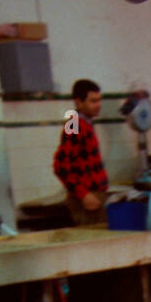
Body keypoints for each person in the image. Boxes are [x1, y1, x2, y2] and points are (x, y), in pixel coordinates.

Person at [53, 79, 109, 226]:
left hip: (95, 195)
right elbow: (61, 166)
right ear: (78, 102)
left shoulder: (86, 124)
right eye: (93, 101)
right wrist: (83, 194)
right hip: (86, 200)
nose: (98, 105)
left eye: (99, 100)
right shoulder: (74, 125)